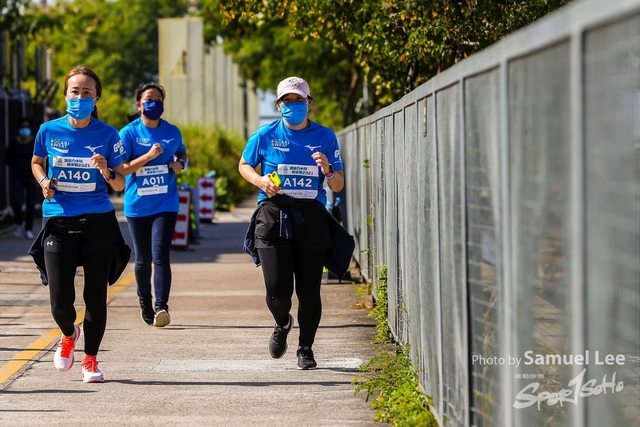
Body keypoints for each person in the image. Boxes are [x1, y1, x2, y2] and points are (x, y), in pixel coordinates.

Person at [239, 76, 354, 370]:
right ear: (279, 105)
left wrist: (328, 170)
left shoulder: (325, 136)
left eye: (299, 100)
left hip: (310, 218)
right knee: (277, 291)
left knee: (309, 291)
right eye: (287, 100)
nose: (293, 105)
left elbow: (338, 185)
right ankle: (282, 322)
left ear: (309, 103)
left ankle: (306, 348)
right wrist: (260, 180)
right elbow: (244, 165)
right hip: (272, 214)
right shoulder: (264, 135)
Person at [29, 65, 131, 383]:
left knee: (95, 297)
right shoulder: (48, 130)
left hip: (97, 221)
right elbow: (36, 162)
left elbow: (119, 183)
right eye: (75, 91)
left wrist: (105, 170)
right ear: (65, 95)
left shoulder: (108, 134)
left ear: (96, 98)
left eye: (87, 92)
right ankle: (69, 332)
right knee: (60, 300)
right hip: (58, 220)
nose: (80, 97)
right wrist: (44, 181)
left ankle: (90, 360)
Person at [119, 82, 187, 327]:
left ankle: (162, 306)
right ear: (139, 105)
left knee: (160, 255)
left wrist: (180, 163)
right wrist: (148, 156)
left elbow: (182, 153)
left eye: (159, 99)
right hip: (137, 204)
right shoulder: (128, 133)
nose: (154, 103)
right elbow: (122, 168)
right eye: (149, 99)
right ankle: (144, 301)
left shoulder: (172, 131)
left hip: (165, 202)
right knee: (142, 259)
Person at [6, 117, 37, 239]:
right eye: (22, 127)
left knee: (31, 203)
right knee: (16, 201)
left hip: (32, 178)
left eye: (27, 127)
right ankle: (20, 223)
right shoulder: (14, 143)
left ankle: (29, 229)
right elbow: (7, 158)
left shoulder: (35, 143)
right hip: (17, 177)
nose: (25, 129)